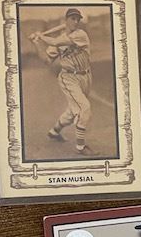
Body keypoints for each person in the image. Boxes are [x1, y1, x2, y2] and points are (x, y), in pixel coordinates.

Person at [31, 8, 95, 155]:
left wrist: (40, 36)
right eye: (72, 18)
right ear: (65, 20)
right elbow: (46, 60)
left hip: (85, 76)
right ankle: (80, 147)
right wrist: (36, 43)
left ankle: (54, 131)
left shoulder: (80, 34)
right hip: (68, 78)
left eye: (78, 19)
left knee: (73, 111)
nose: (76, 21)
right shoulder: (57, 42)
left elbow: (56, 41)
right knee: (84, 108)